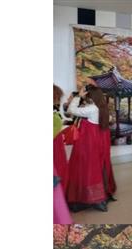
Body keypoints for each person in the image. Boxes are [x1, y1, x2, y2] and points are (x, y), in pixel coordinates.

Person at [64, 84, 116, 212]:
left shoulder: (92, 109)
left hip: (89, 144)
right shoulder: (102, 108)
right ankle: (100, 197)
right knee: (98, 168)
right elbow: (109, 120)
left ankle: (91, 198)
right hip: (100, 144)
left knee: (87, 170)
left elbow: (71, 110)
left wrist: (78, 96)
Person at [53, 85, 72, 224]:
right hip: (55, 146)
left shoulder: (54, 111)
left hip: (57, 145)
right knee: (59, 172)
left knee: (61, 171)